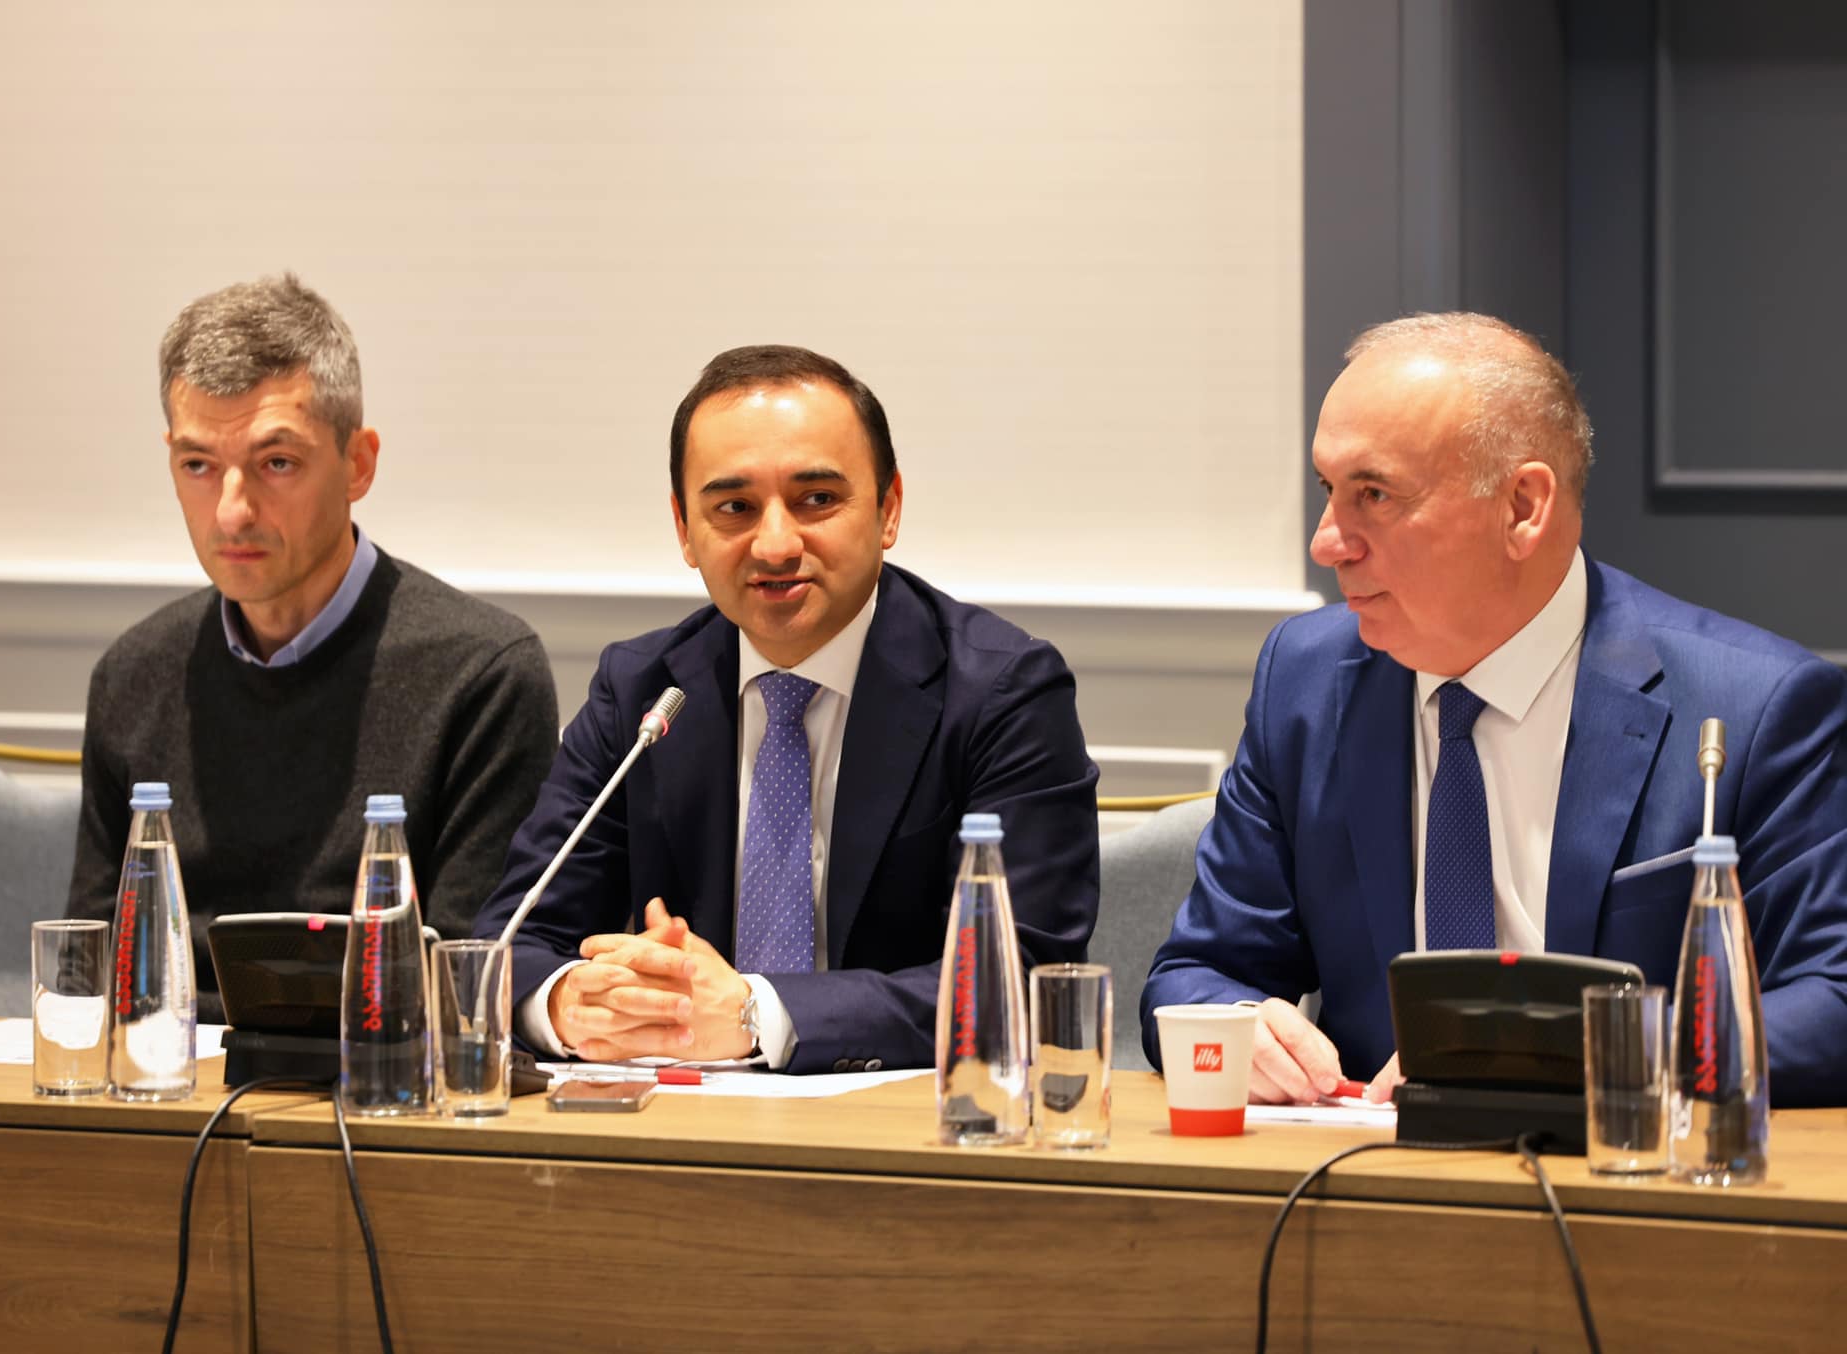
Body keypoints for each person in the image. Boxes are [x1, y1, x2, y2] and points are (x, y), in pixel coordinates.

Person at [1143, 312, 1847, 1107]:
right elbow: (1199, 972)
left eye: (1373, 494)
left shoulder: (1753, 709)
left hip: (1619, 1168)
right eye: (1328, 491)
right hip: (1368, 1169)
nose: (1328, 542)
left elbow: (1832, 1002)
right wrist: (1237, 1026)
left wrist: (1560, 1055)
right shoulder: (1303, 682)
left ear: (1522, 507)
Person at [474, 344, 1099, 1073]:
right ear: (684, 528)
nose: (774, 544)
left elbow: (1021, 977)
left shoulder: (1001, 693)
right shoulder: (642, 692)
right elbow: (509, 942)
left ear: (888, 509)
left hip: (901, 1121)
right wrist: (570, 1001)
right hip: (676, 1119)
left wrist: (756, 1013)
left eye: (817, 500)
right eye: (734, 508)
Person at [66, 274, 558, 1018]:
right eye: (198, 466)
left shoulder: (482, 676)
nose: (231, 511)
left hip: (377, 1074)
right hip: (165, 1071)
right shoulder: (133, 676)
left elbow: (466, 985)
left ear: (358, 463)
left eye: (277, 463)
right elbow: (87, 976)